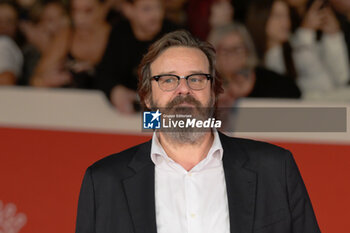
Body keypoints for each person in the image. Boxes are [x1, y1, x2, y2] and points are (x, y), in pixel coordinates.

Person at [75, 30, 321, 233]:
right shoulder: (104, 182)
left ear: (214, 92)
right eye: (169, 80)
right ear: (147, 97)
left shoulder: (275, 169)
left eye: (196, 79)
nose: (183, 89)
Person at [246, 0, 349, 99]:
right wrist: (306, 34)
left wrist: (333, 37)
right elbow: (322, 85)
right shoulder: (252, 58)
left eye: (287, 15)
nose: (285, 21)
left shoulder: (297, 45)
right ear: (260, 18)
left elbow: (340, 78)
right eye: (277, 16)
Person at [97, 0, 177, 114]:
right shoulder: (119, 32)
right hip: (125, 115)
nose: (156, 15)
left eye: (159, 7)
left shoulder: (175, 35)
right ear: (128, 10)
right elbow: (104, 72)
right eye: (147, 9)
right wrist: (115, 91)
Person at [208, 23, 301, 105]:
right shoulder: (206, 87)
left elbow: (294, 93)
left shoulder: (270, 81)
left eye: (237, 49)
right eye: (225, 50)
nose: (232, 55)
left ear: (247, 51)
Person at [30, 0, 112, 89]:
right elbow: (35, 79)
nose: (79, 18)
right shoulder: (67, 35)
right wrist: (44, 82)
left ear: (104, 8)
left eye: (88, 11)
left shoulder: (117, 35)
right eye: (74, 10)